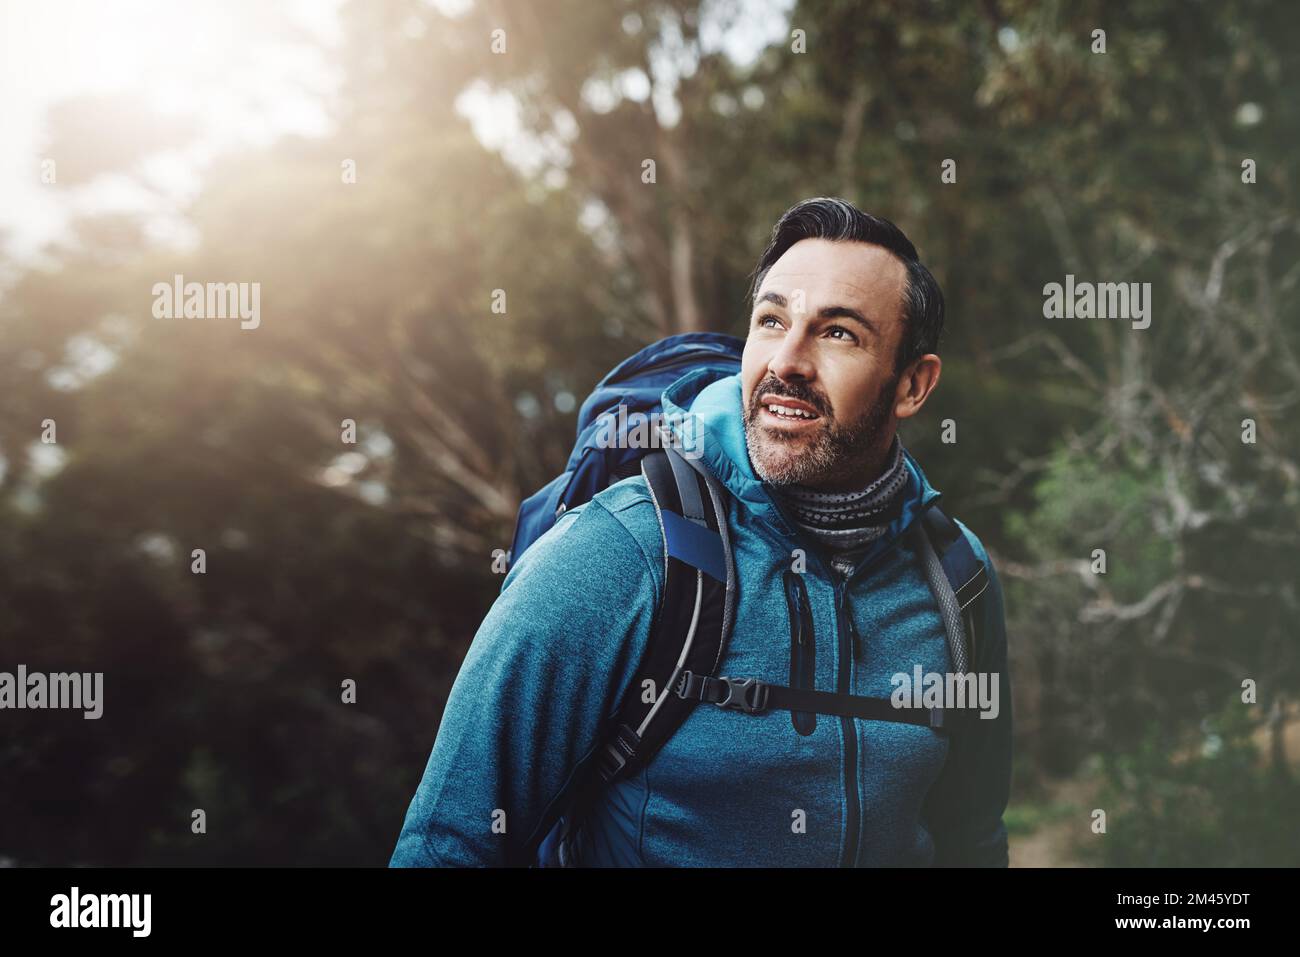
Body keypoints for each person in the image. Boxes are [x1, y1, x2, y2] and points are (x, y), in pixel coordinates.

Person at [390, 197, 1011, 867]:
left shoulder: (956, 579)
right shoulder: (620, 553)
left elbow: (972, 839)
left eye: (838, 333)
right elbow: (448, 846)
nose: (789, 361)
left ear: (913, 385)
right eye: (771, 321)